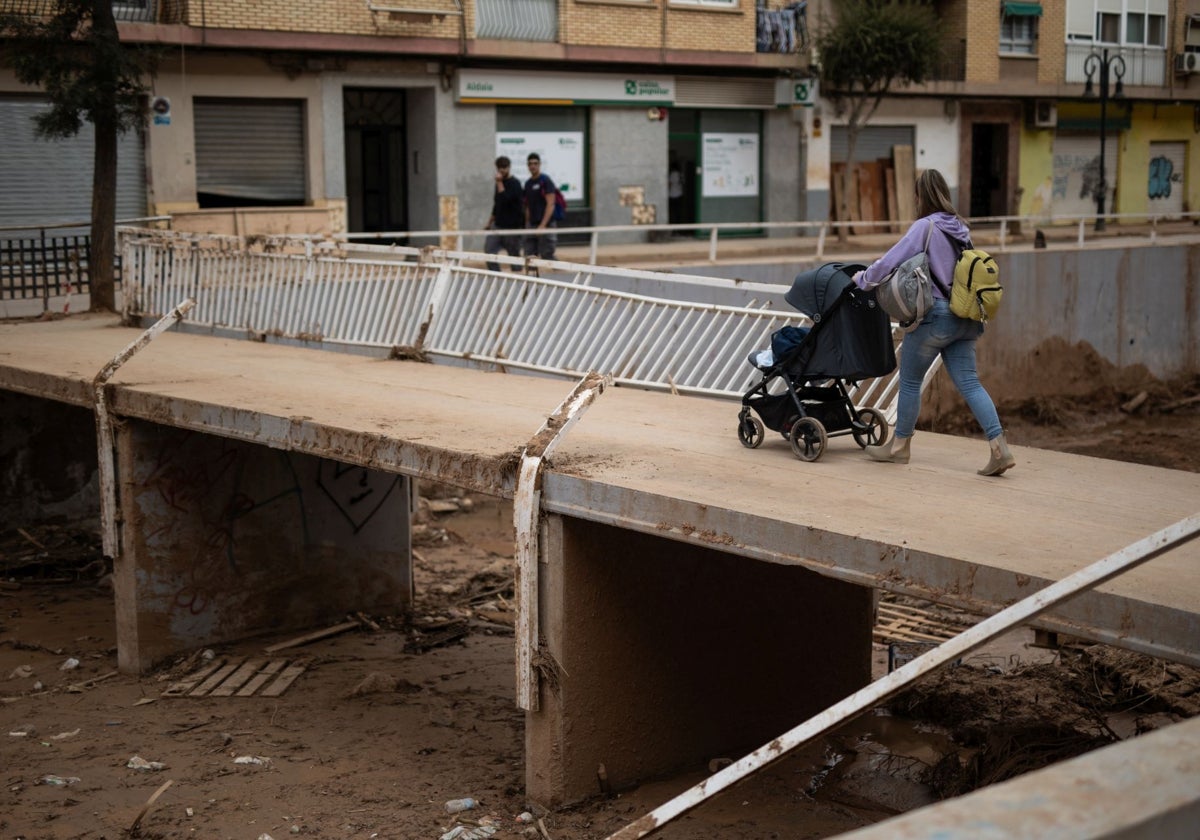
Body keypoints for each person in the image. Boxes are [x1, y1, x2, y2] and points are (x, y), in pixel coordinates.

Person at [852, 168, 1015, 476]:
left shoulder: (924, 227)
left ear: (919, 196)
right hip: (964, 317)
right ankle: (1000, 449)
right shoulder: (961, 228)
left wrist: (863, 279)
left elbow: (890, 261)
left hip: (935, 316)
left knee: (911, 381)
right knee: (970, 382)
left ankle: (900, 448)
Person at [484, 156, 523, 272]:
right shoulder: (498, 184)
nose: (502, 171)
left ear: (509, 168)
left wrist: (500, 182)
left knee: (514, 255)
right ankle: (496, 275)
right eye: (499, 168)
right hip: (498, 225)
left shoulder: (515, 183)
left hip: (511, 226)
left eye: (504, 168)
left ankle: (518, 277)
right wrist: (489, 222)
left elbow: (507, 200)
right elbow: (497, 204)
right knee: (489, 251)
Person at [523, 152, 558, 263]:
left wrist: (543, 225)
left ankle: (557, 278)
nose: (533, 166)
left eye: (535, 163)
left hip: (546, 225)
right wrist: (527, 224)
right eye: (530, 164)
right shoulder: (528, 183)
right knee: (529, 256)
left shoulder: (545, 181)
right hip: (532, 225)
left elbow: (550, 204)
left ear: (539, 164)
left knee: (547, 255)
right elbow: (528, 205)